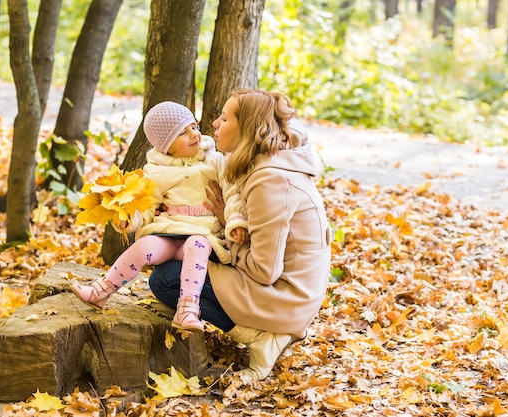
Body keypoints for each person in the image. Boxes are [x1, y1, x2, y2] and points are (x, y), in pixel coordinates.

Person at [148, 89, 332, 380]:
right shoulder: (267, 160)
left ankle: (262, 337)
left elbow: (264, 270)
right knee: (185, 266)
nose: (214, 124)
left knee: (167, 279)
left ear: (247, 127)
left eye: (223, 118)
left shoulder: (270, 180)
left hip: (286, 296)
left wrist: (226, 228)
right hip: (292, 287)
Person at [71, 101, 248, 331]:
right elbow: (146, 207)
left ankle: (187, 310)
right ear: (167, 147)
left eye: (193, 127)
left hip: (201, 234)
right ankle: (101, 291)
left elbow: (232, 193)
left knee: (197, 244)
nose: (194, 134)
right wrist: (128, 220)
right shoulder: (155, 170)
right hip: (168, 234)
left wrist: (235, 221)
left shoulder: (214, 161)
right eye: (183, 133)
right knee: (144, 246)